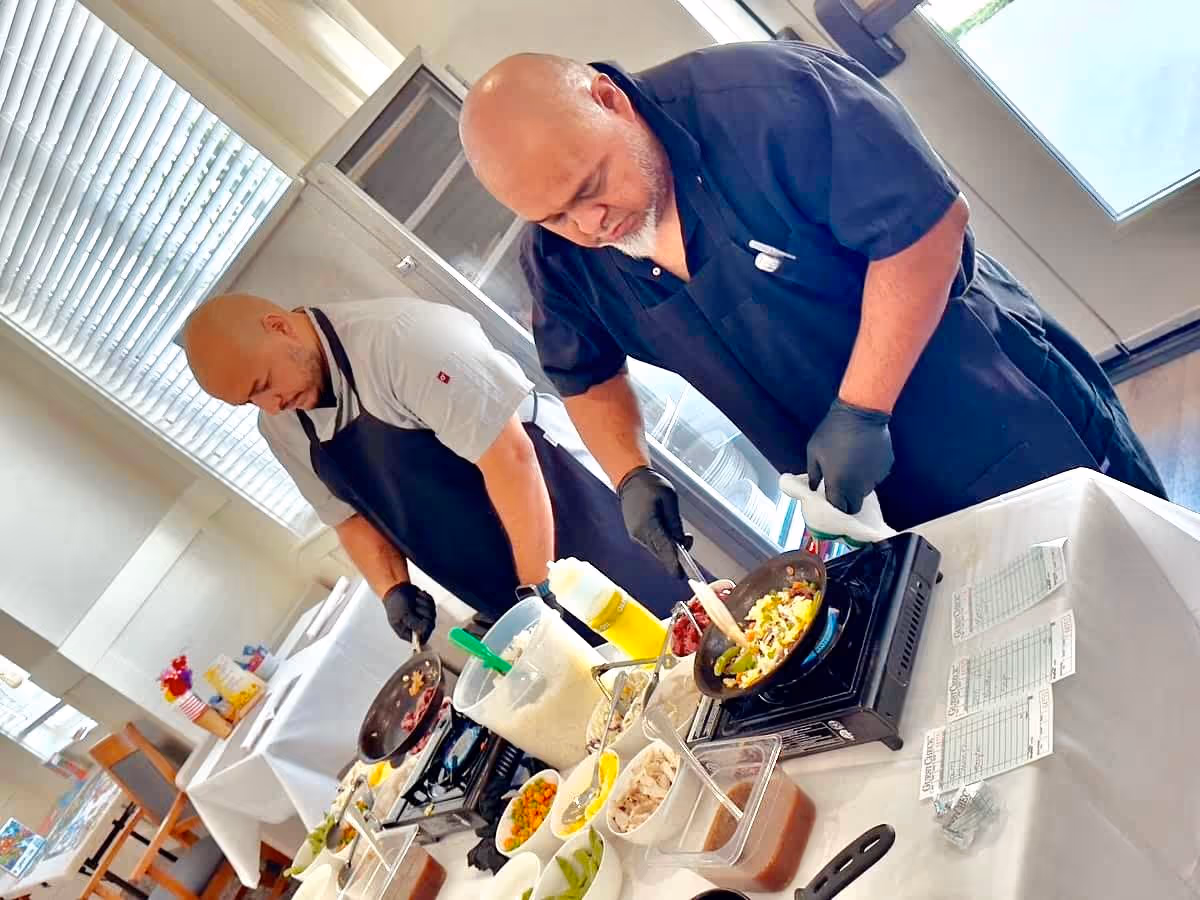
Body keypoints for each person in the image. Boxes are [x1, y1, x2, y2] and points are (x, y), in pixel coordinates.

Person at [459, 43, 1166, 576]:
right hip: (863, 493)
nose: (589, 226)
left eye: (592, 188)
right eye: (555, 216)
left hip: (982, 402)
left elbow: (926, 227)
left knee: (1132, 567)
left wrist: (861, 408)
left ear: (609, 100)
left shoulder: (768, 100)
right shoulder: (558, 258)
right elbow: (582, 373)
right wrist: (631, 474)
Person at [183, 294, 696, 644]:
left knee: (680, 640)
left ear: (278, 325)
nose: (271, 406)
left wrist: (539, 589)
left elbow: (511, 459)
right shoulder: (282, 425)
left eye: (264, 383)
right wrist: (392, 588)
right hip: (496, 577)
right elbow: (347, 517)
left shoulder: (402, 341)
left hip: (568, 515)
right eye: (250, 402)